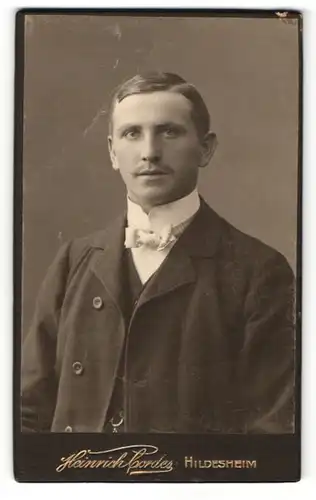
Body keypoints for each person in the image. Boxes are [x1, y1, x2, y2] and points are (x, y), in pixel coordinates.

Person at [21, 72, 295, 434]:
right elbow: (25, 413)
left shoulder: (259, 270)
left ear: (206, 148)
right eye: (132, 133)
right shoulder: (74, 260)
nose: (149, 152)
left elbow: (272, 430)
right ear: (112, 152)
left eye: (169, 132)